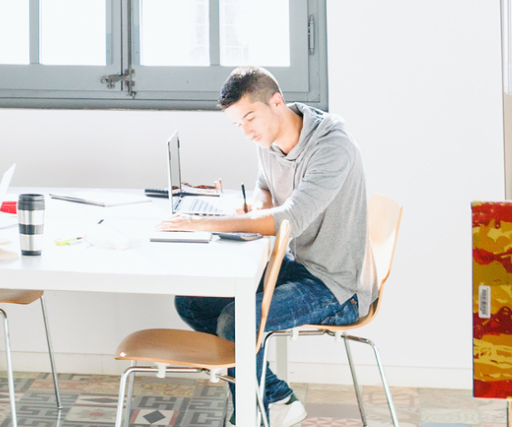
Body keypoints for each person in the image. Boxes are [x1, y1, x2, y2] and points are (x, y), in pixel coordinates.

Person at [159, 66, 377, 427]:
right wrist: (258, 206)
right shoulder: (271, 138)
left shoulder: (332, 147)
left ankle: (258, 411)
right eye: (237, 124)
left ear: (277, 102)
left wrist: (203, 223)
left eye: (249, 118)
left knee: (236, 322)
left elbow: (289, 218)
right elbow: (264, 185)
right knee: (191, 301)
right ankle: (271, 398)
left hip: (338, 286)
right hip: (300, 265)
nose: (246, 131)